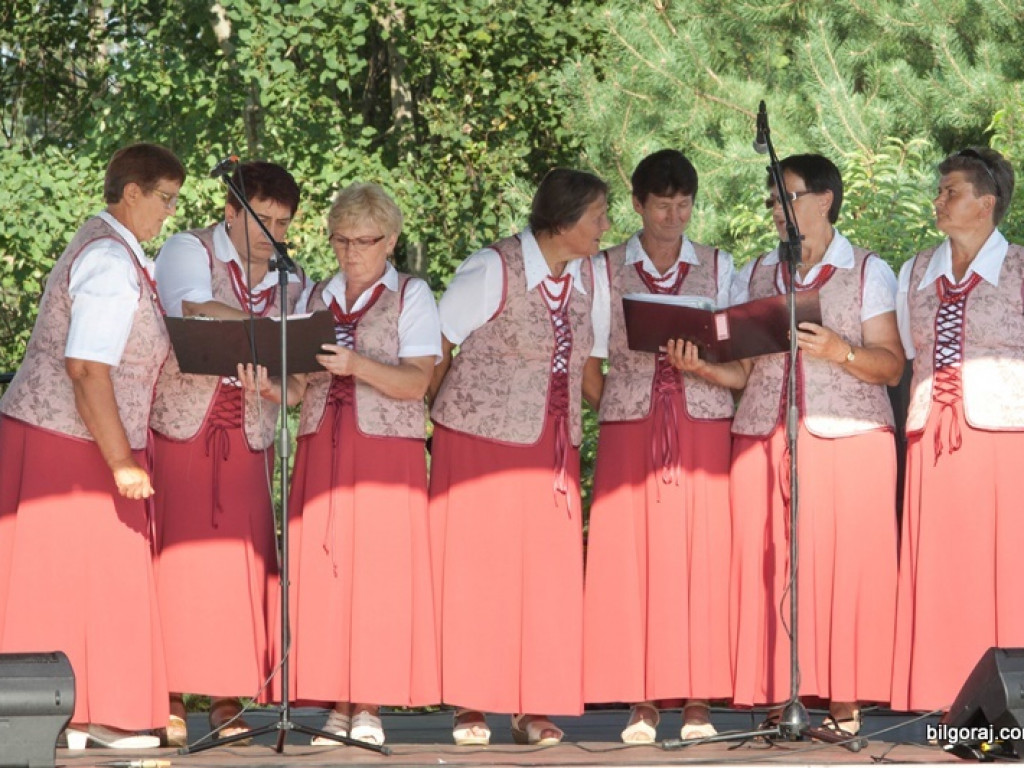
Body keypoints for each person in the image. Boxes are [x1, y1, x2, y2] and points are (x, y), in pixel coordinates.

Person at [684, 154, 904, 735]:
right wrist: (701, 367)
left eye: (787, 197)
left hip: (848, 437)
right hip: (762, 436)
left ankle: (846, 700)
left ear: (824, 200)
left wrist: (840, 351)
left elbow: (891, 366)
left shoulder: (868, 270)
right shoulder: (755, 272)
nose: (776, 210)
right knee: (768, 564)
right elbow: (741, 372)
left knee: (845, 564)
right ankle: (779, 695)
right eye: (771, 200)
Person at [0, 143, 185, 749]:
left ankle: (78, 717)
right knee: (79, 578)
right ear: (132, 192)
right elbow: (85, 367)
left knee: (81, 579)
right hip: (72, 444)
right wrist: (121, 462)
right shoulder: (108, 259)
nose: (169, 212)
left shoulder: (115, 251)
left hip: (76, 437)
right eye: (165, 199)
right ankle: (93, 714)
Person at [429, 168, 610, 746]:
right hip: (477, 442)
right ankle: (471, 702)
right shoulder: (493, 268)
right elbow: (437, 343)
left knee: (547, 577)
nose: (606, 227)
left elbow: (590, 367)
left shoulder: (591, 277)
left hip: (551, 446)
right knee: (479, 571)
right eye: (598, 217)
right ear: (564, 221)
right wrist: (430, 419)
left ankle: (533, 703)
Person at [262, 182, 441, 746]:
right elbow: (297, 389)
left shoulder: (412, 294)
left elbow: (416, 383)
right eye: (341, 240)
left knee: (380, 576)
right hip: (321, 446)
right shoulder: (312, 295)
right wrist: (267, 386)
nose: (350, 252)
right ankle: (335, 705)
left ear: (390, 240)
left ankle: (368, 703)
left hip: (387, 453)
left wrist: (356, 365)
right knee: (325, 572)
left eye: (363, 241)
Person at [149, 161, 307, 745]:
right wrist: (272, 331)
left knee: (237, 566)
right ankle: (163, 694)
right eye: (261, 219)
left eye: (282, 223)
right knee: (172, 561)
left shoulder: (291, 277)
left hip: (250, 436)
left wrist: (274, 378)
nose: (273, 234)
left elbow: (297, 378)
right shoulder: (188, 249)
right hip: (182, 429)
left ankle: (225, 695)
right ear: (230, 211)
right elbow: (194, 310)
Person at [581, 150, 734, 743]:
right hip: (631, 426)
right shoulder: (603, 268)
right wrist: (622, 406)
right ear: (638, 204)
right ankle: (640, 700)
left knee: (703, 555)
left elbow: (737, 352)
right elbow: (589, 361)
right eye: (663, 205)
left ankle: (698, 699)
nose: (674, 216)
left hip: (702, 424)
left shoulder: (720, 266)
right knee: (629, 559)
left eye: (684, 205)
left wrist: (703, 368)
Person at [891, 148, 1023, 712]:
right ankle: (939, 695)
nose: (938, 201)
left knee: (1004, 564)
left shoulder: (1019, 268)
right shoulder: (915, 271)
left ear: (985, 203)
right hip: (934, 438)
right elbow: (908, 351)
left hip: (1005, 438)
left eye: (951, 192)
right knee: (942, 564)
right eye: (940, 191)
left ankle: (1007, 701)